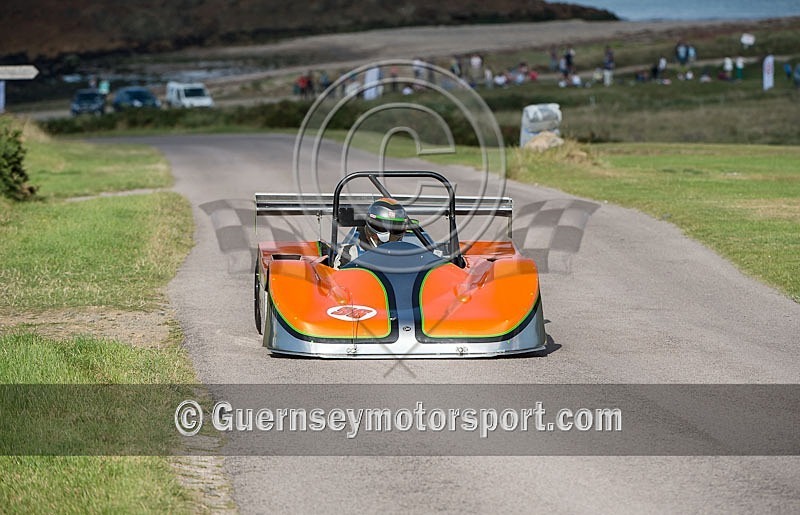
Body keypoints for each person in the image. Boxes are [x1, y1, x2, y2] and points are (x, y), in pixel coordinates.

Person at [333, 198, 408, 268]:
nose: (389, 234)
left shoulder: (410, 255)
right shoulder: (351, 253)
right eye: (383, 227)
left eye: (395, 228)